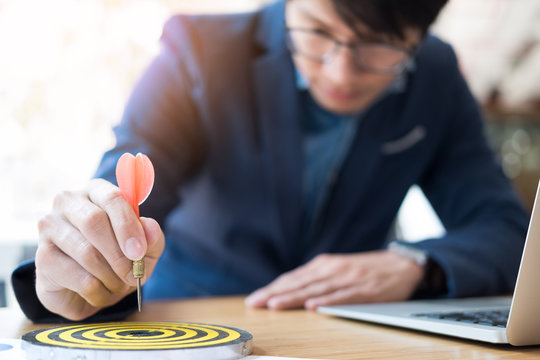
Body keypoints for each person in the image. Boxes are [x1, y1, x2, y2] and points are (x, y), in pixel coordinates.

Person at [12, 0, 529, 323]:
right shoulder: (198, 51)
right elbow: (128, 175)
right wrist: (81, 257)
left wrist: (416, 265)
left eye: (381, 47)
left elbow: (507, 230)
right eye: (320, 32)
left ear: (420, 35)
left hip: (341, 336)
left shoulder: (436, 76)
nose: (342, 71)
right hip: (189, 323)